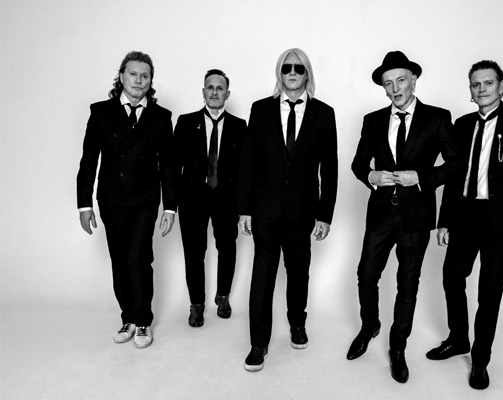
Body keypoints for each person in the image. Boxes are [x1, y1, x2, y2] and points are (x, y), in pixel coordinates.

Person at [347, 51, 463, 383]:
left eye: (400, 80)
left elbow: (457, 165)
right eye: (388, 83)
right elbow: (358, 164)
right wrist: (371, 176)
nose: (395, 88)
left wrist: (421, 178)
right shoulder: (372, 120)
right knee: (366, 275)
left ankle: (397, 347)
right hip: (381, 214)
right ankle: (369, 326)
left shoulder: (437, 118)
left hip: (416, 216)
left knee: (407, 284)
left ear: (413, 80)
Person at [426, 60, 503, 390]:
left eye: (489, 83)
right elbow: (452, 175)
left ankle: (480, 360)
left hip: (499, 217)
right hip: (464, 213)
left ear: (501, 86)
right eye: (476, 85)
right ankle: (458, 338)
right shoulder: (461, 125)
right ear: (470, 92)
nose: (482, 89)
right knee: (451, 276)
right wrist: (444, 221)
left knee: (489, 293)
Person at [238, 48, 338, 371]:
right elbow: (248, 162)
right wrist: (244, 209)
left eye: (298, 68)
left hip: (302, 211)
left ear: (307, 73)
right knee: (262, 278)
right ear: (279, 74)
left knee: (298, 272)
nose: (292, 73)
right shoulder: (260, 109)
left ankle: (297, 323)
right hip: (265, 210)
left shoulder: (324, 114)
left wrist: (325, 215)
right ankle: (258, 343)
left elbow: (330, 169)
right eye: (286, 68)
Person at [77, 51, 177, 348]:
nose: (139, 80)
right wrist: (84, 204)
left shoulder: (161, 117)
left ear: (150, 81)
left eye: (145, 76)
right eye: (133, 74)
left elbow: (169, 166)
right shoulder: (100, 112)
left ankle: (143, 320)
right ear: (121, 76)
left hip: (145, 199)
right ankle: (129, 317)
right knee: (120, 258)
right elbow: (88, 161)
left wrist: (170, 207)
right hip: (111, 199)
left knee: (139, 257)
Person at [174, 69, 247, 327]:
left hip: (227, 198)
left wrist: (244, 206)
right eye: (210, 87)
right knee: (194, 251)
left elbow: (245, 169)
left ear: (227, 93)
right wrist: (174, 201)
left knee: (227, 248)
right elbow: (173, 164)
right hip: (192, 198)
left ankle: (223, 296)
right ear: (203, 91)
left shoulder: (240, 126)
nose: (214, 92)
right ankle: (196, 304)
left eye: (220, 88)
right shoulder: (186, 122)